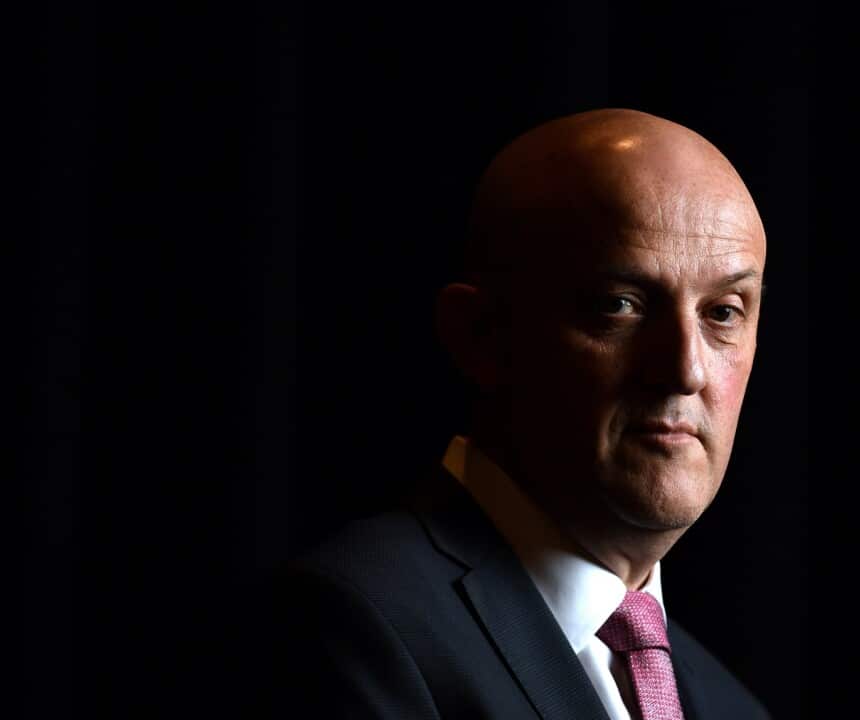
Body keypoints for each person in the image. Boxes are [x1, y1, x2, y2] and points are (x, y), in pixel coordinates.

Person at [265, 108, 771, 719]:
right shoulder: (351, 626)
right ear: (480, 336)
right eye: (620, 304)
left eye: (722, 312)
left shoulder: (729, 706)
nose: (685, 371)